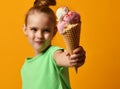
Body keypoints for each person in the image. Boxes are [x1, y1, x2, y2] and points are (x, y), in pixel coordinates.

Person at [21, 0, 86, 89]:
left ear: (54, 32)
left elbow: (62, 58)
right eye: (34, 29)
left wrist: (73, 58)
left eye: (46, 30)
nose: (39, 35)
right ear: (25, 29)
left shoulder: (53, 54)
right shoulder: (25, 68)